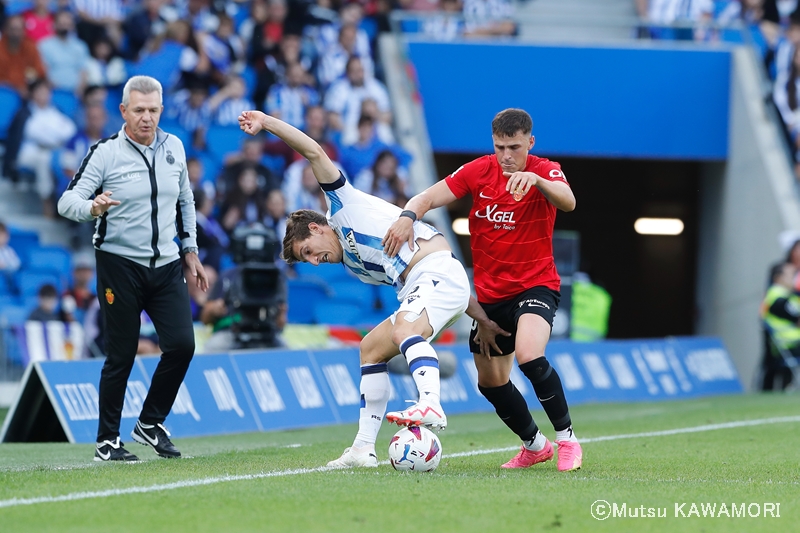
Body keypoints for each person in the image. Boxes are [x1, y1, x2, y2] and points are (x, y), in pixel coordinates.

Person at [239, 110, 507, 468]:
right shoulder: (351, 263)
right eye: (307, 262)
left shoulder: (342, 205)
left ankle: (430, 401)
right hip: (432, 282)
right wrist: (482, 320)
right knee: (370, 348)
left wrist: (266, 122)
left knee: (405, 329)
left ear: (317, 229)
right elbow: (448, 289)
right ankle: (363, 448)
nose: (315, 262)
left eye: (309, 253)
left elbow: (314, 152)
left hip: (435, 270)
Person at [383, 108, 583, 472]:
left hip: (536, 284)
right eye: (500, 147)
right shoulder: (479, 170)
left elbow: (568, 201)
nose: (506, 156)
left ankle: (567, 439)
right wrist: (407, 217)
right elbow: (424, 198)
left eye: (514, 147)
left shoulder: (544, 170)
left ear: (530, 143)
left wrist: (535, 181)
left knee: (529, 355)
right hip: (490, 298)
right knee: (490, 383)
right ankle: (535, 446)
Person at [57, 75, 209, 462]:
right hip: (119, 264)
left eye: (153, 110)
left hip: (167, 262)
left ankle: (149, 423)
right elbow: (67, 201)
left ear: (161, 110)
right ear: (123, 111)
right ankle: (107, 440)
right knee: (121, 354)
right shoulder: (105, 152)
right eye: (138, 110)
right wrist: (91, 207)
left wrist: (190, 249)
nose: (146, 118)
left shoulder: (173, 146)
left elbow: (186, 201)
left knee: (182, 346)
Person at [760, 262, 800, 390]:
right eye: (793, 274)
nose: (796, 277)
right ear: (778, 278)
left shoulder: (790, 295)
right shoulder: (778, 296)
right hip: (787, 344)